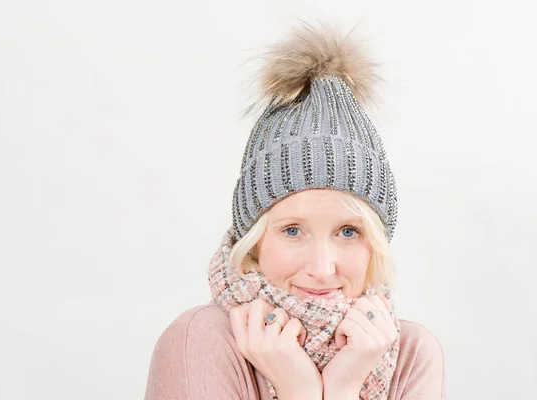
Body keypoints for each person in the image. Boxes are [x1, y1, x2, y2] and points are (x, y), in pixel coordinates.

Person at [145, 21, 445, 400]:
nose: (322, 268)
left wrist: (343, 387)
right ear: (254, 242)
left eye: (348, 232)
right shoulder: (200, 342)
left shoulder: (411, 354)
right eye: (292, 230)